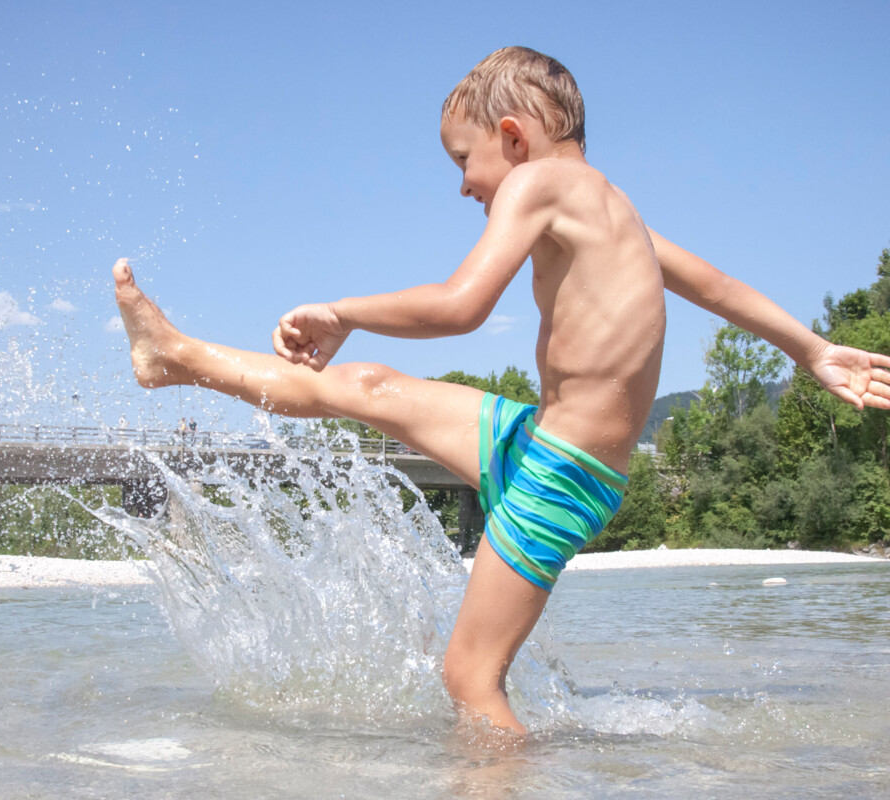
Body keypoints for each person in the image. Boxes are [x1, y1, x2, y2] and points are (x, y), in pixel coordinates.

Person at [113, 46, 890, 735]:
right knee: (370, 387)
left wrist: (341, 311)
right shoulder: (614, 208)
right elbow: (718, 287)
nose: (463, 186)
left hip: (562, 470)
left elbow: (461, 305)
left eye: (463, 161)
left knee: (468, 678)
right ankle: (174, 357)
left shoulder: (542, 183)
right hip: (537, 436)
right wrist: (814, 349)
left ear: (514, 137)